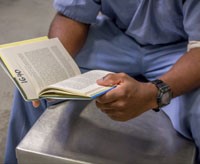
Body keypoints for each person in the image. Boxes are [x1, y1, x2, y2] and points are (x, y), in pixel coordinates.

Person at [4, 0, 200, 163]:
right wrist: (51, 68)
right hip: (118, 37)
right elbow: (72, 15)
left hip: (181, 48)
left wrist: (154, 93)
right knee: (34, 84)